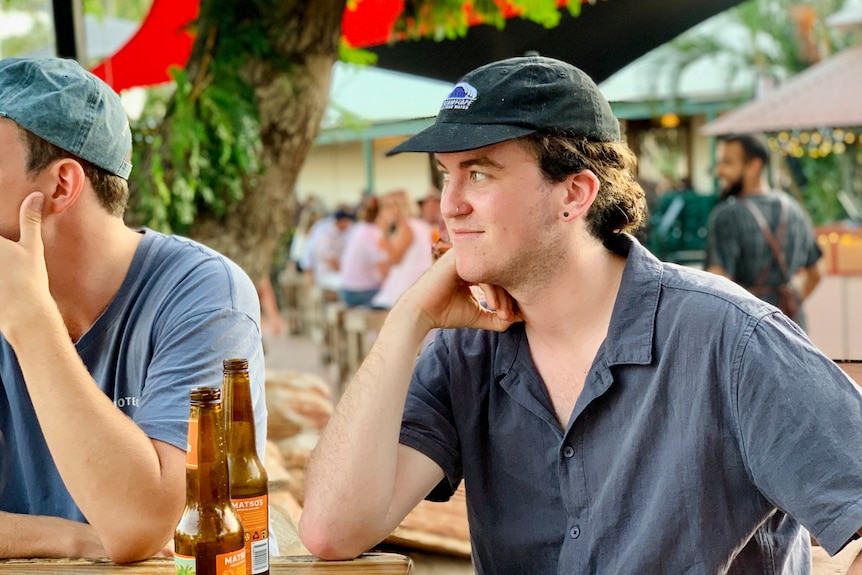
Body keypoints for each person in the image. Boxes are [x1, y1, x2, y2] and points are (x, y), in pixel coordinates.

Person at [298, 56, 862, 574]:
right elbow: (331, 531)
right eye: (446, 174)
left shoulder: (730, 340)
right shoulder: (465, 351)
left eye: (479, 173)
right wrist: (406, 321)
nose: (449, 204)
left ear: (575, 193)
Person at [0, 58, 270, 562]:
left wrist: (31, 321)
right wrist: (70, 538)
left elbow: (140, 525)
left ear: (61, 186)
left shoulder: (202, 294)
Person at [707, 134, 822, 329]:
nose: (719, 171)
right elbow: (816, 274)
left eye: (727, 163)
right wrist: (790, 302)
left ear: (755, 165)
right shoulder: (794, 209)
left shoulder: (726, 215)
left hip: (747, 331)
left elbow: (717, 284)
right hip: (793, 327)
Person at [369, 189, 433, 310]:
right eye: (385, 206)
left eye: (390, 206)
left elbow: (394, 260)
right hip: (419, 280)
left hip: (406, 284)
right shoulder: (419, 224)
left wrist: (384, 233)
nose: (385, 211)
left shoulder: (406, 226)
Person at [339, 196, 386, 307]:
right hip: (360, 292)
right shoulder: (374, 233)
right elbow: (382, 269)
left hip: (347, 289)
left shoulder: (359, 228)